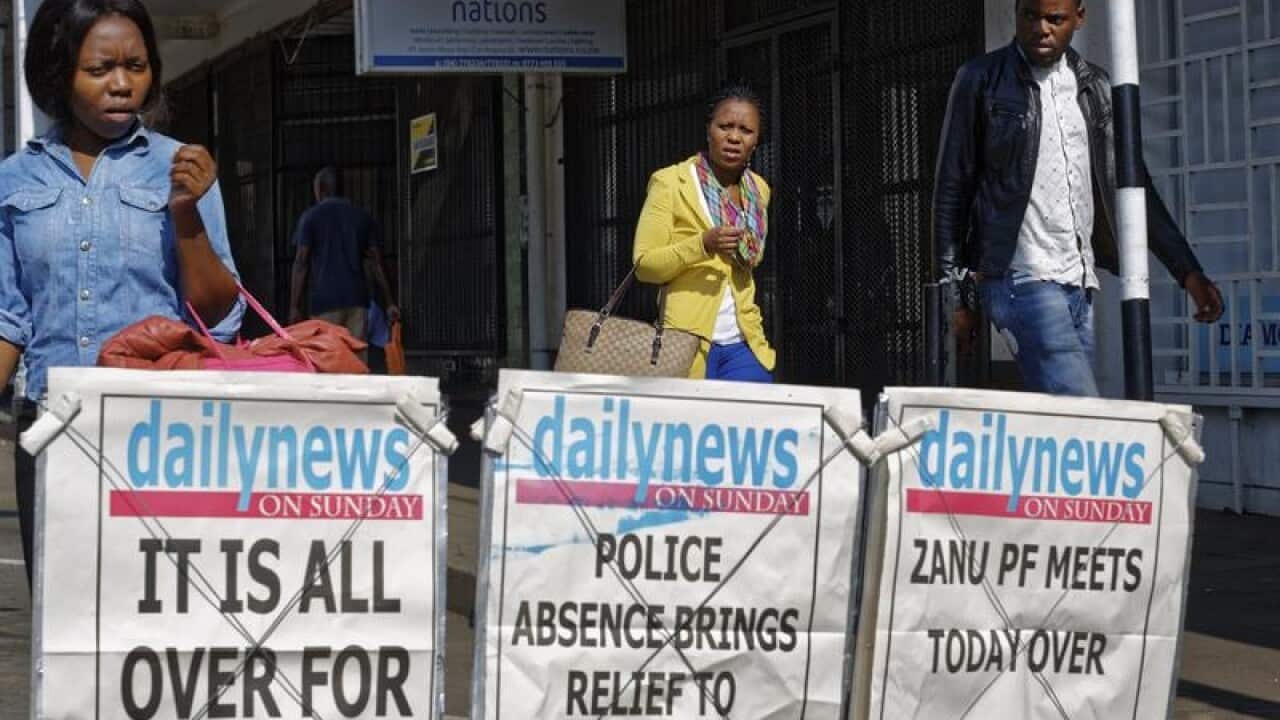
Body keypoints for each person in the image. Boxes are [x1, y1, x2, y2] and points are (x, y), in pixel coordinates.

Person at [0, 0, 245, 587]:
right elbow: (9, 319)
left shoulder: (182, 167)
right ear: (59, 74)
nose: (121, 85)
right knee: (63, 627)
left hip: (161, 433)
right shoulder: (15, 179)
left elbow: (221, 315)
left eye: (136, 67)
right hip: (54, 427)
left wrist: (186, 216)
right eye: (100, 69)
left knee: (154, 615)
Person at [934, 0, 1225, 396]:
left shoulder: (1097, 88)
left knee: (1065, 426)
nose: (1042, 28)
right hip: (1020, 277)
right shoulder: (981, 80)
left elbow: (1134, 187)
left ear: (1079, 18)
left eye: (1055, 19)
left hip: (1079, 283)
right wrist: (954, 296)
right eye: (1030, 16)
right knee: (1083, 410)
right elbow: (952, 189)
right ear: (1017, 12)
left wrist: (1187, 271)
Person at [633, 84, 774, 382]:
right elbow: (644, 265)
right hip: (686, 341)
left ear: (756, 140)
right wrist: (702, 244)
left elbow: (751, 258)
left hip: (744, 343)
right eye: (725, 126)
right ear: (708, 130)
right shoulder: (670, 182)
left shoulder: (759, 190)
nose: (734, 137)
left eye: (745, 130)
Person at [288, 167, 399, 349]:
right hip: (357, 301)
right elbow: (376, 262)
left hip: (324, 302)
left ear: (321, 189)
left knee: (328, 361)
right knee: (355, 362)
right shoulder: (362, 216)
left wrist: (294, 306)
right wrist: (389, 302)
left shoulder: (310, 218)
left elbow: (301, 262)